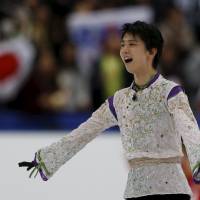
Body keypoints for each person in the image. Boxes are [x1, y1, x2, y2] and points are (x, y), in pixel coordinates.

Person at [18, 21, 200, 200]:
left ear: (151, 51)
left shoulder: (170, 92)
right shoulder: (120, 100)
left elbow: (190, 130)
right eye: (122, 45)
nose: (124, 50)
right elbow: (83, 133)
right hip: (135, 192)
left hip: (171, 191)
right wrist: (48, 158)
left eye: (132, 44)